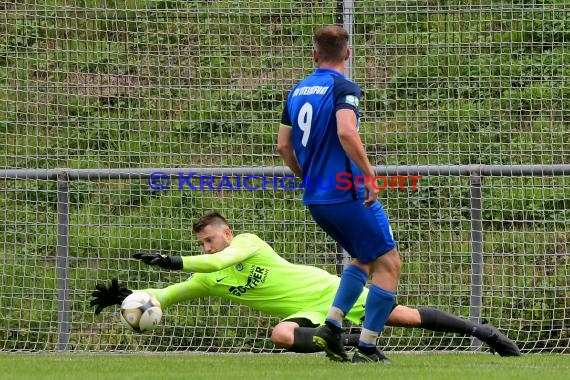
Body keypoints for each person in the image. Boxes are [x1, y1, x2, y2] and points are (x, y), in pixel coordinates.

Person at [90, 211, 520, 359]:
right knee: (281, 334)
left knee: (403, 316)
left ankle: (484, 333)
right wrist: (126, 298)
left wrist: (175, 260)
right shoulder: (208, 278)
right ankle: (347, 342)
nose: (205, 245)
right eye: (198, 243)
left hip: (327, 290)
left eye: (208, 238)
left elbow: (222, 259)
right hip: (308, 315)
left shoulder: (246, 244)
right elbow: (164, 296)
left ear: (225, 233)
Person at [277, 24, 401, 363]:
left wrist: (307, 176)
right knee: (389, 262)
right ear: (347, 53)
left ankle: (332, 326)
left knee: (365, 257)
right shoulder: (343, 86)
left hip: (317, 198)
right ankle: (367, 346)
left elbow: (284, 146)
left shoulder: (297, 91)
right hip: (347, 193)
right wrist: (370, 175)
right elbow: (346, 132)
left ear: (314, 54)